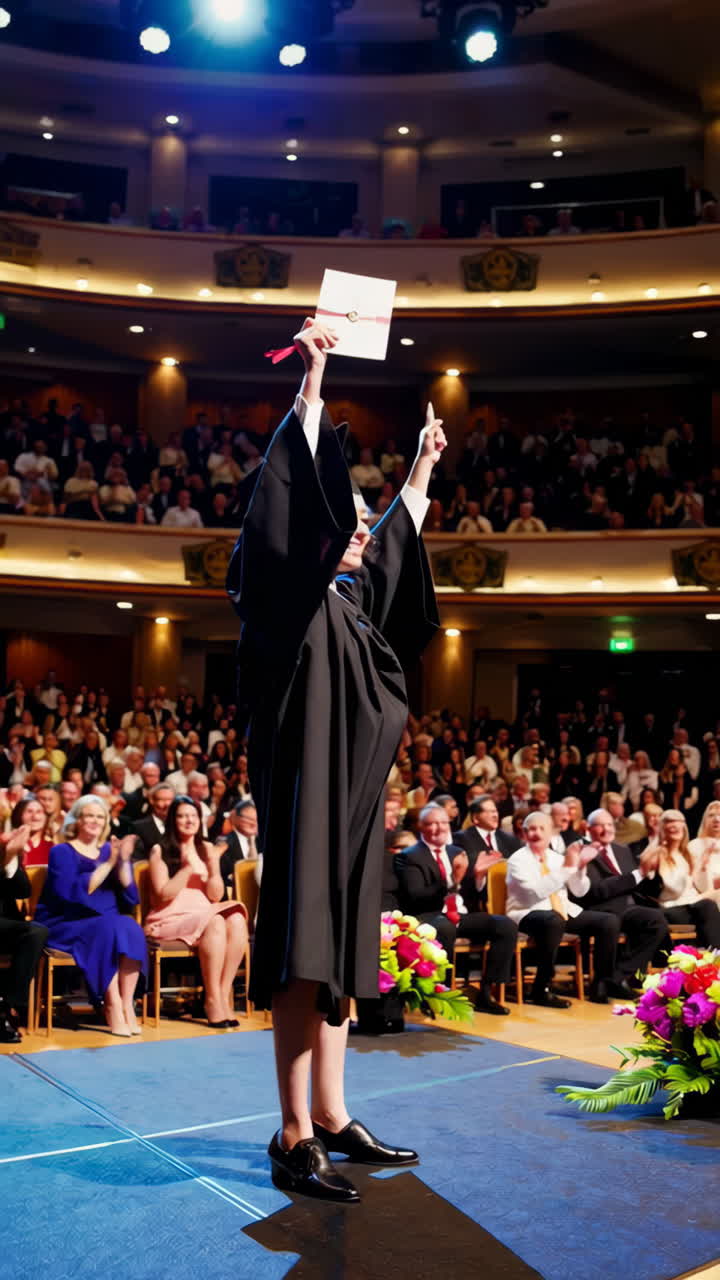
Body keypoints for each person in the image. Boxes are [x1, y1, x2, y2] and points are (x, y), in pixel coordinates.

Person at [226, 318, 442, 1202]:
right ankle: (291, 1133)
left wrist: (421, 470)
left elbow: (389, 558)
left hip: (353, 807)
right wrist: (312, 389)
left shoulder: (348, 604)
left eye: (358, 522)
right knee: (302, 951)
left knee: (345, 951)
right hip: (304, 802)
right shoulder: (287, 600)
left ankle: (333, 1112)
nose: (358, 531)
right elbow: (286, 516)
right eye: (345, 521)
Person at [35, 797, 147, 1036]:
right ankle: (112, 1004)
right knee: (109, 928)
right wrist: (109, 863)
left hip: (108, 920)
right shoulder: (61, 851)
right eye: (89, 815)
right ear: (77, 820)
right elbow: (71, 893)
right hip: (67, 921)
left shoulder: (109, 849)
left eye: (100, 816)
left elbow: (130, 896)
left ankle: (127, 1004)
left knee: (131, 926)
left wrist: (123, 861)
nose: (95, 821)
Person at [397, 804, 517, 1014]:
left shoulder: (456, 852)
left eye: (443, 823)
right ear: (421, 827)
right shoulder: (410, 856)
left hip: (458, 914)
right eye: (432, 823)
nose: (439, 828)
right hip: (428, 915)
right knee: (445, 928)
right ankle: (437, 995)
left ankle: (486, 992)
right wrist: (452, 879)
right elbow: (416, 896)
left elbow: (469, 891)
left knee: (505, 925)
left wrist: (478, 876)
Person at [144, 795, 249, 1027]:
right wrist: (187, 868)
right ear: (173, 820)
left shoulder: (206, 848)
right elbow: (163, 894)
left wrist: (213, 866)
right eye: (182, 816)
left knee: (236, 919)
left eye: (193, 816)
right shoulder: (160, 850)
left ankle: (223, 993)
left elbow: (215, 895)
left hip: (203, 914)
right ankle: (211, 999)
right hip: (169, 918)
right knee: (216, 921)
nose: (189, 820)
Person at [505, 812, 619, 1005]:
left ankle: (601, 983)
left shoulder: (557, 858)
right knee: (553, 921)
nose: (537, 833)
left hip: (561, 910)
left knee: (609, 921)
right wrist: (568, 868)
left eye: (542, 829)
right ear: (524, 833)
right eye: (532, 829)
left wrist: (580, 867)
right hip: (526, 912)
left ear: (550, 833)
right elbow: (537, 892)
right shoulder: (517, 860)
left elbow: (579, 891)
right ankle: (541, 988)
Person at [568, 807, 668, 997]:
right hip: (599, 909)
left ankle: (616, 977)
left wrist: (652, 872)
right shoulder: (580, 850)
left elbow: (637, 884)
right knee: (612, 921)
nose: (606, 829)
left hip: (628, 907)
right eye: (600, 825)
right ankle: (605, 982)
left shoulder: (622, 849)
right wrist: (639, 873)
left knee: (656, 920)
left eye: (609, 824)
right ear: (588, 828)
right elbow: (596, 890)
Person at [640, 810, 720, 945]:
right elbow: (672, 890)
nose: (675, 828)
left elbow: (701, 886)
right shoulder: (655, 855)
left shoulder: (685, 855)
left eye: (678, 826)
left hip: (691, 905)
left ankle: (712, 952)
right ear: (662, 830)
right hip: (671, 907)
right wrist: (701, 895)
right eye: (670, 825)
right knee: (707, 905)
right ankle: (715, 952)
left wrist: (703, 867)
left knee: (710, 904)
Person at [0, 833, 48, 1040]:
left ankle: (9, 1003)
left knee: (37, 932)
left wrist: (10, 859)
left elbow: (23, 891)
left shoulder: (5, 853)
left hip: (6, 926)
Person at [215, 799, 260, 897]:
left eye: (256, 819)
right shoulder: (223, 842)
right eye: (249, 819)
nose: (253, 823)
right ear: (235, 817)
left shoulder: (262, 842)